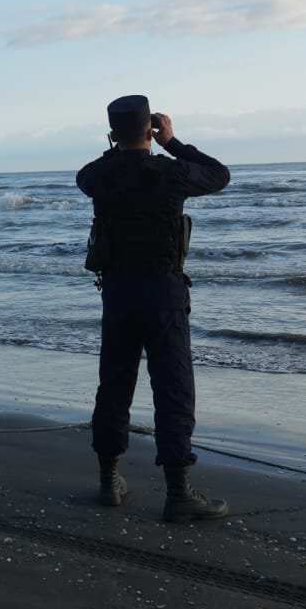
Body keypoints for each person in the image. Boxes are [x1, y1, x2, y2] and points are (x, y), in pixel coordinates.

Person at [76, 96, 231, 522]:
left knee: (115, 384)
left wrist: (122, 146)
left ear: (112, 135)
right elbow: (220, 175)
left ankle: (110, 481)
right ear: (151, 130)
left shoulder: (98, 177)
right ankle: (178, 493)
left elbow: (86, 174)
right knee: (173, 386)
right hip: (162, 291)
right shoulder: (171, 172)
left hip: (118, 291)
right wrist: (174, 142)